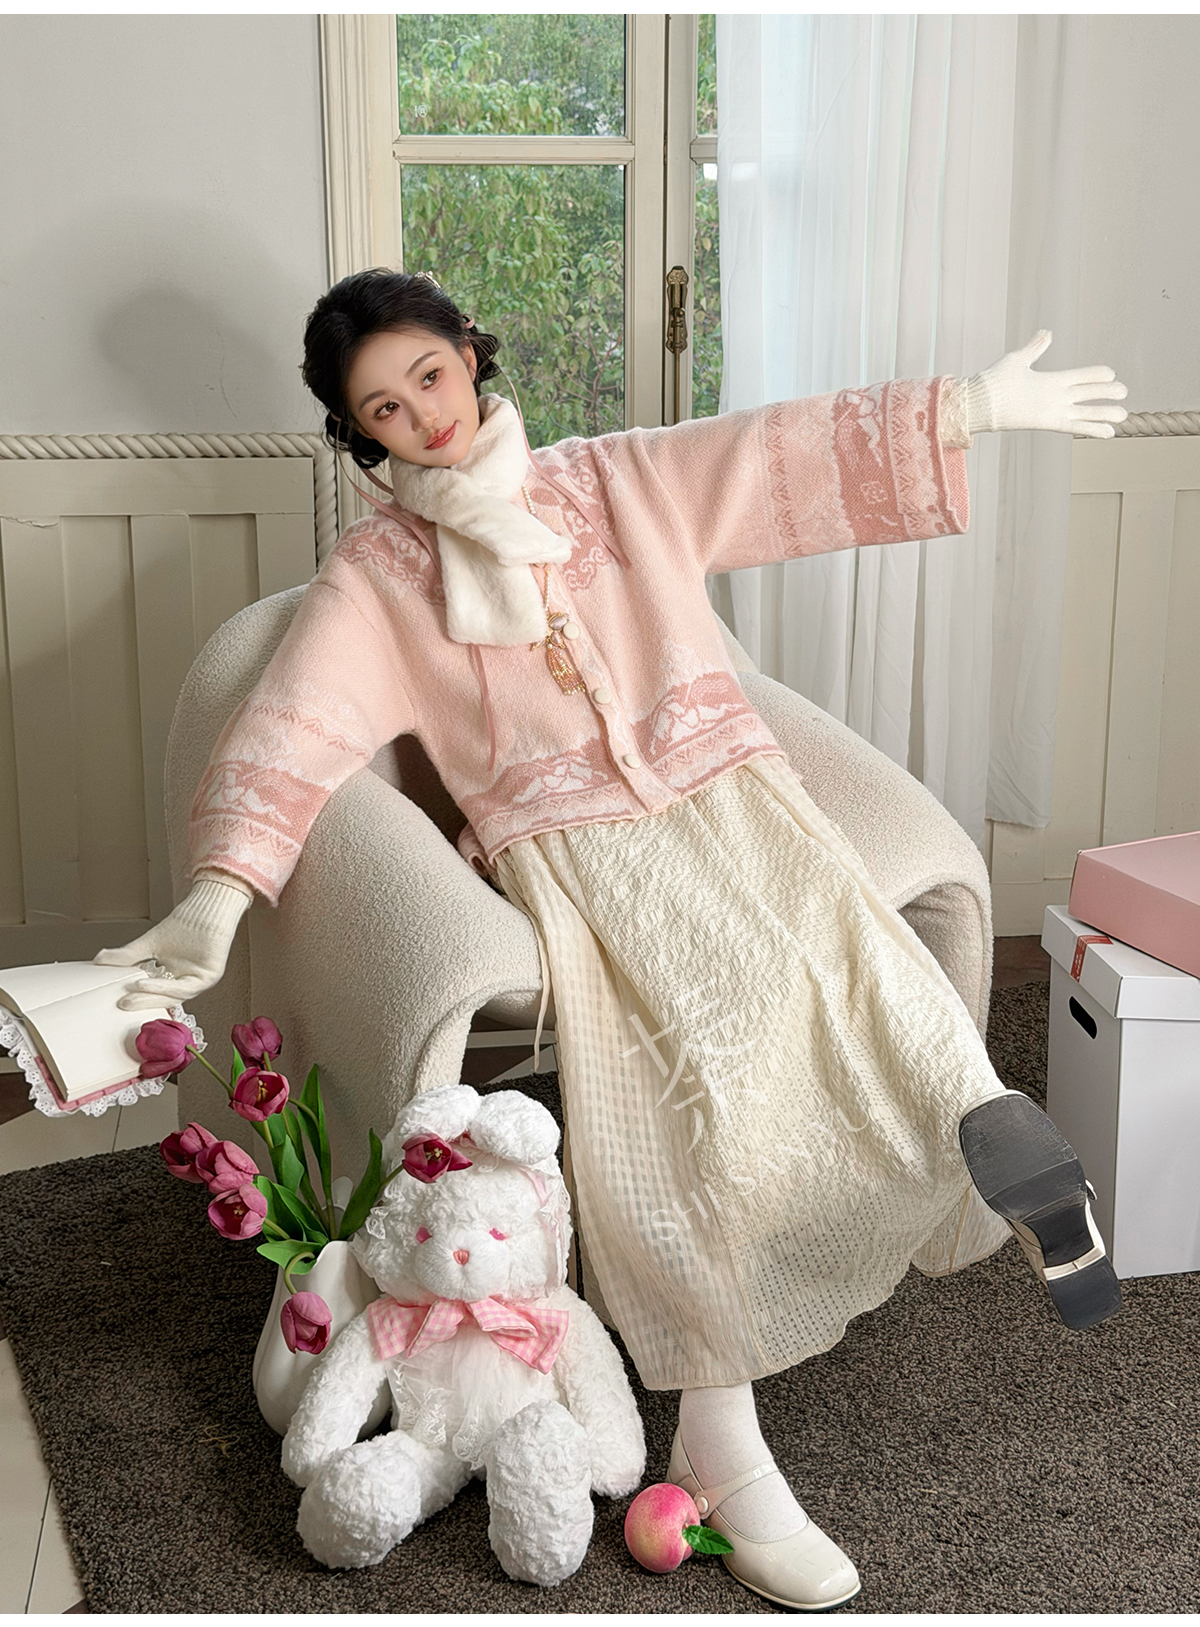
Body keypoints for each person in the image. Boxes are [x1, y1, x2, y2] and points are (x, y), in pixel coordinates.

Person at [97, 270, 1129, 1609]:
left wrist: (967, 407)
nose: (422, 415)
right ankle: (723, 1435)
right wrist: (219, 895)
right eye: (383, 409)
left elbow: (772, 453)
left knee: (852, 953)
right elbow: (292, 727)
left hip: (734, 787)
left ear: (470, 354)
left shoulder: (609, 480)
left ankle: (978, 1117)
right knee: (696, 1065)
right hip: (575, 846)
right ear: (361, 436)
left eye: (428, 376)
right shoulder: (377, 577)